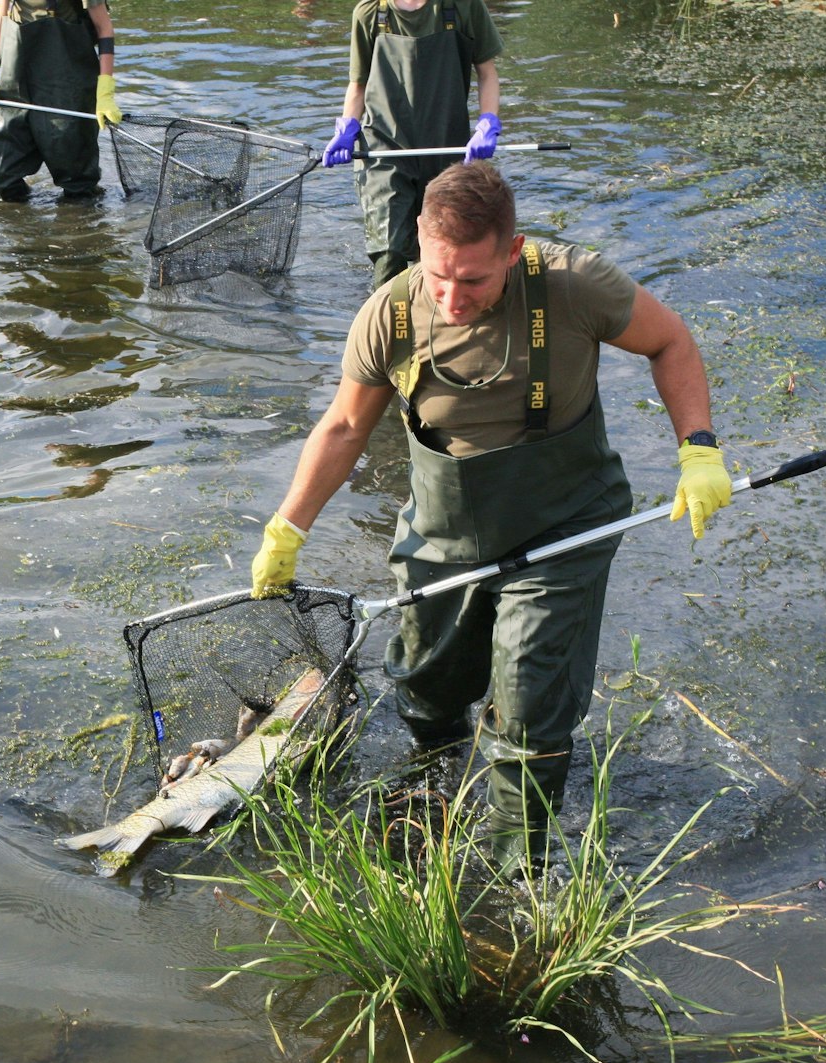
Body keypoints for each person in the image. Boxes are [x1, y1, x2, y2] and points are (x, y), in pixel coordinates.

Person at [248, 163, 732, 875]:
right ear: (418, 239)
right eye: (439, 274)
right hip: (443, 530)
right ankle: (429, 794)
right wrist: (287, 529)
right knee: (428, 689)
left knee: (530, 702)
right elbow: (346, 426)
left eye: (473, 279)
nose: (452, 296)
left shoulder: (575, 285)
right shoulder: (389, 314)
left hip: (563, 524)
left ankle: (515, 878)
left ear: (512, 249)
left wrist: (698, 448)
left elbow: (671, 342)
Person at [322, 0, 504, 290]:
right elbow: (358, 84)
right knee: (389, 250)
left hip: (447, 149)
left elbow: (487, 72)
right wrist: (346, 128)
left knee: (441, 253)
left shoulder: (463, 7)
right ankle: (383, 323)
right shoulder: (370, 14)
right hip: (384, 147)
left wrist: (488, 122)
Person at [0, 0, 121, 202]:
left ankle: (81, 222)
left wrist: (105, 90)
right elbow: (2, 18)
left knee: (77, 183)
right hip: (16, 80)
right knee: (0, 178)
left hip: (67, 83)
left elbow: (104, 28)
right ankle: (23, 223)